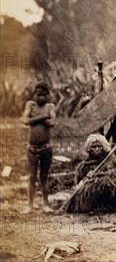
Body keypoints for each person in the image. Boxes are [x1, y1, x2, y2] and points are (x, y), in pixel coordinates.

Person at [66, 134, 116, 213]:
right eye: (94, 147)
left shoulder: (111, 160)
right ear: (89, 148)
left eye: (99, 146)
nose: (97, 149)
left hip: (110, 193)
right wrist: (86, 178)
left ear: (103, 147)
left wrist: (97, 177)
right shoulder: (84, 166)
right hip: (94, 197)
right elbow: (79, 186)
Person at [22, 82, 56, 213]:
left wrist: (34, 119)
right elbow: (25, 121)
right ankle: (29, 205)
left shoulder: (50, 106)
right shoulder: (30, 105)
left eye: (44, 94)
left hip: (46, 148)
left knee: (44, 176)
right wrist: (43, 117)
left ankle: (45, 204)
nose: (41, 97)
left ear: (48, 96)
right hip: (32, 148)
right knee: (31, 176)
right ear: (34, 95)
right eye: (39, 94)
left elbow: (52, 123)